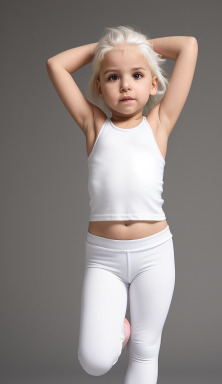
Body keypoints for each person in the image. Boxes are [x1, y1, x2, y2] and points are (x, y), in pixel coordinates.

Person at [46, 25, 198, 383]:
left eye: (137, 74)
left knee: (146, 353)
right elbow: (56, 65)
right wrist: (109, 49)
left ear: (154, 85)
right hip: (104, 257)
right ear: (100, 87)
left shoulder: (159, 124)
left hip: (154, 253)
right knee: (94, 360)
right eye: (112, 76)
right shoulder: (94, 126)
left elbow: (188, 46)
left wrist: (135, 47)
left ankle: (137, 340)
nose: (126, 84)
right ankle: (120, 331)